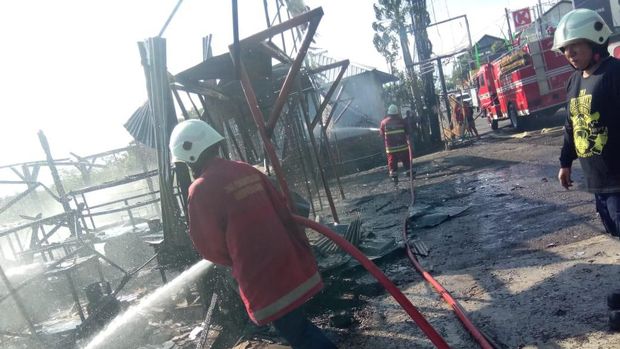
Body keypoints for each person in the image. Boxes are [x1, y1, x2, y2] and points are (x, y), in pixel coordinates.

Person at [169, 119, 336, 349]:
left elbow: (208, 246)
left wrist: (236, 261)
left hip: (263, 277)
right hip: (290, 262)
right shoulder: (245, 169)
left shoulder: (200, 189)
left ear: (190, 154)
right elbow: (282, 207)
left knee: (298, 332)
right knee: (298, 326)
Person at [555, 9, 620, 238]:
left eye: (575, 45)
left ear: (595, 42)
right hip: (597, 183)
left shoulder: (614, 72)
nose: (569, 53)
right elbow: (571, 125)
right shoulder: (573, 82)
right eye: (564, 48)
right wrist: (565, 163)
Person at [379, 104, 412, 183]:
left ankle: (394, 177)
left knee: (392, 163)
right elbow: (408, 132)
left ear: (389, 113)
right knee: (406, 160)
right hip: (403, 147)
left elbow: (381, 135)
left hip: (391, 149)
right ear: (397, 113)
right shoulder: (402, 121)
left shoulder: (384, 122)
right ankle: (410, 174)